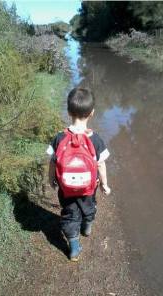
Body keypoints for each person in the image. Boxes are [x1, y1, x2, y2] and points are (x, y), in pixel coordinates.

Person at [46, 87, 111, 261]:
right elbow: (101, 165)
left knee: (70, 214)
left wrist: (51, 179)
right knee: (89, 208)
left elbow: (53, 162)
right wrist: (104, 184)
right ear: (92, 113)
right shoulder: (95, 140)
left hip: (66, 189)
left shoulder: (59, 138)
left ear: (68, 112)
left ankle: (74, 247)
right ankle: (87, 227)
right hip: (88, 189)